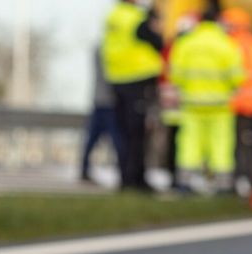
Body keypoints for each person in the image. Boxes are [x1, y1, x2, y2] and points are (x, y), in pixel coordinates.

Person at [170, 4, 244, 193]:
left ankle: (184, 183)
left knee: (189, 143)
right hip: (219, 105)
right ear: (218, 20)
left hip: (192, 103)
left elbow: (175, 74)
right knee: (221, 144)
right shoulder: (226, 43)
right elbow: (237, 76)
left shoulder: (187, 42)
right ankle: (223, 186)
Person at [101, 0, 164, 192]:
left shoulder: (113, 16)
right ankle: (137, 179)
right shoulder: (137, 18)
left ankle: (125, 178)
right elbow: (158, 43)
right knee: (138, 133)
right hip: (138, 79)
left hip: (117, 79)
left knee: (124, 132)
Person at [222, 7, 252, 193]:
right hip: (251, 104)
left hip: (233, 104)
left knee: (233, 146)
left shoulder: (230, 44)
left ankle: (234, 182)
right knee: (249, 145)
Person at [159, 14, 197, 190]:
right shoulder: (187, 45)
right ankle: (178, 176)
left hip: (171, 99)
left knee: (174, 138)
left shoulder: (170, 45)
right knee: (183, 139)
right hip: (183, 100)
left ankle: (174, 175)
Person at [80, 42, 125, 184]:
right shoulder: (110, 49)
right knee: (117, 140)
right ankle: (124, 172)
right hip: (109, 102)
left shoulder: (100, 48)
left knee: (92, 139)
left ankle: (84, 170)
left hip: (99, 100)